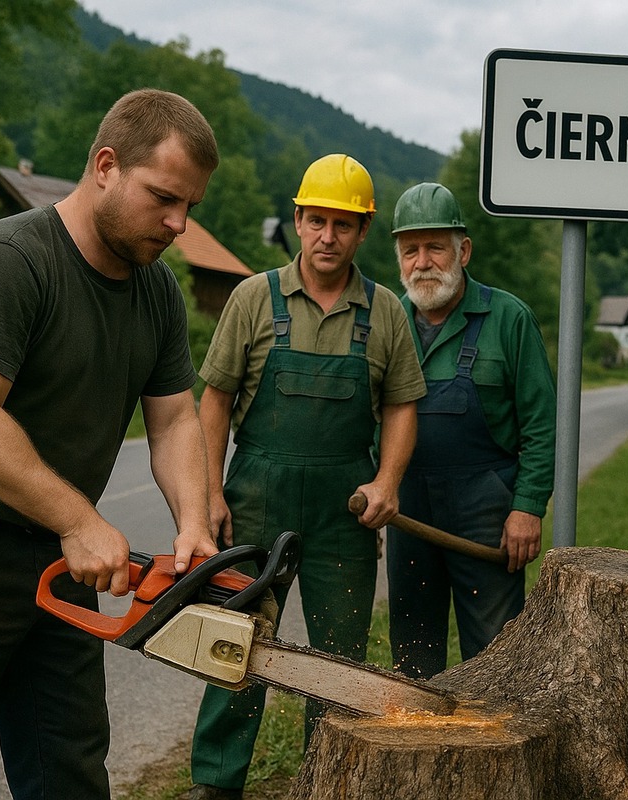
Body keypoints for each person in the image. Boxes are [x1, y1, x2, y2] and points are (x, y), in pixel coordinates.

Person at [0, 89, 220, 799]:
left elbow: (177, 421)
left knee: (69, 773)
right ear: (105, 165)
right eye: (163, 197)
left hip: (62, 562)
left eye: (190, 206)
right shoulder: (9, 259)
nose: (179, 222)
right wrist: (79, 520)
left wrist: (192, 522)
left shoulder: (157, 294)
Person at [184, 154, 425, 799]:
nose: (327, 237)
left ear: (363, 231)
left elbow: (403, 405)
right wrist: (208, 495)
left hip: (341, 511)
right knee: (237, 646)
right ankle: (217, 784)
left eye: (342, 225)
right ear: (296, 220)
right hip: (255, 499)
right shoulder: (252, 298)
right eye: (316, 221)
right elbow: (213, 399)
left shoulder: (386, 312)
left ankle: (330, 783)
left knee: (338, 663)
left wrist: (388, 480)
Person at [386, 182, 556, 680]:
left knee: (496, 660)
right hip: (409, 512)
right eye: (410, 250)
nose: (423, 262)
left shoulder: (509, 318)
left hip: (487, 511)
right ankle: (423, 752)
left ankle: (496, 753)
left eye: (435, 247)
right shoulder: (386, 320)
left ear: (463, 250)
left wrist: (527, 507)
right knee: (413, 655)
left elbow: (541, 425)